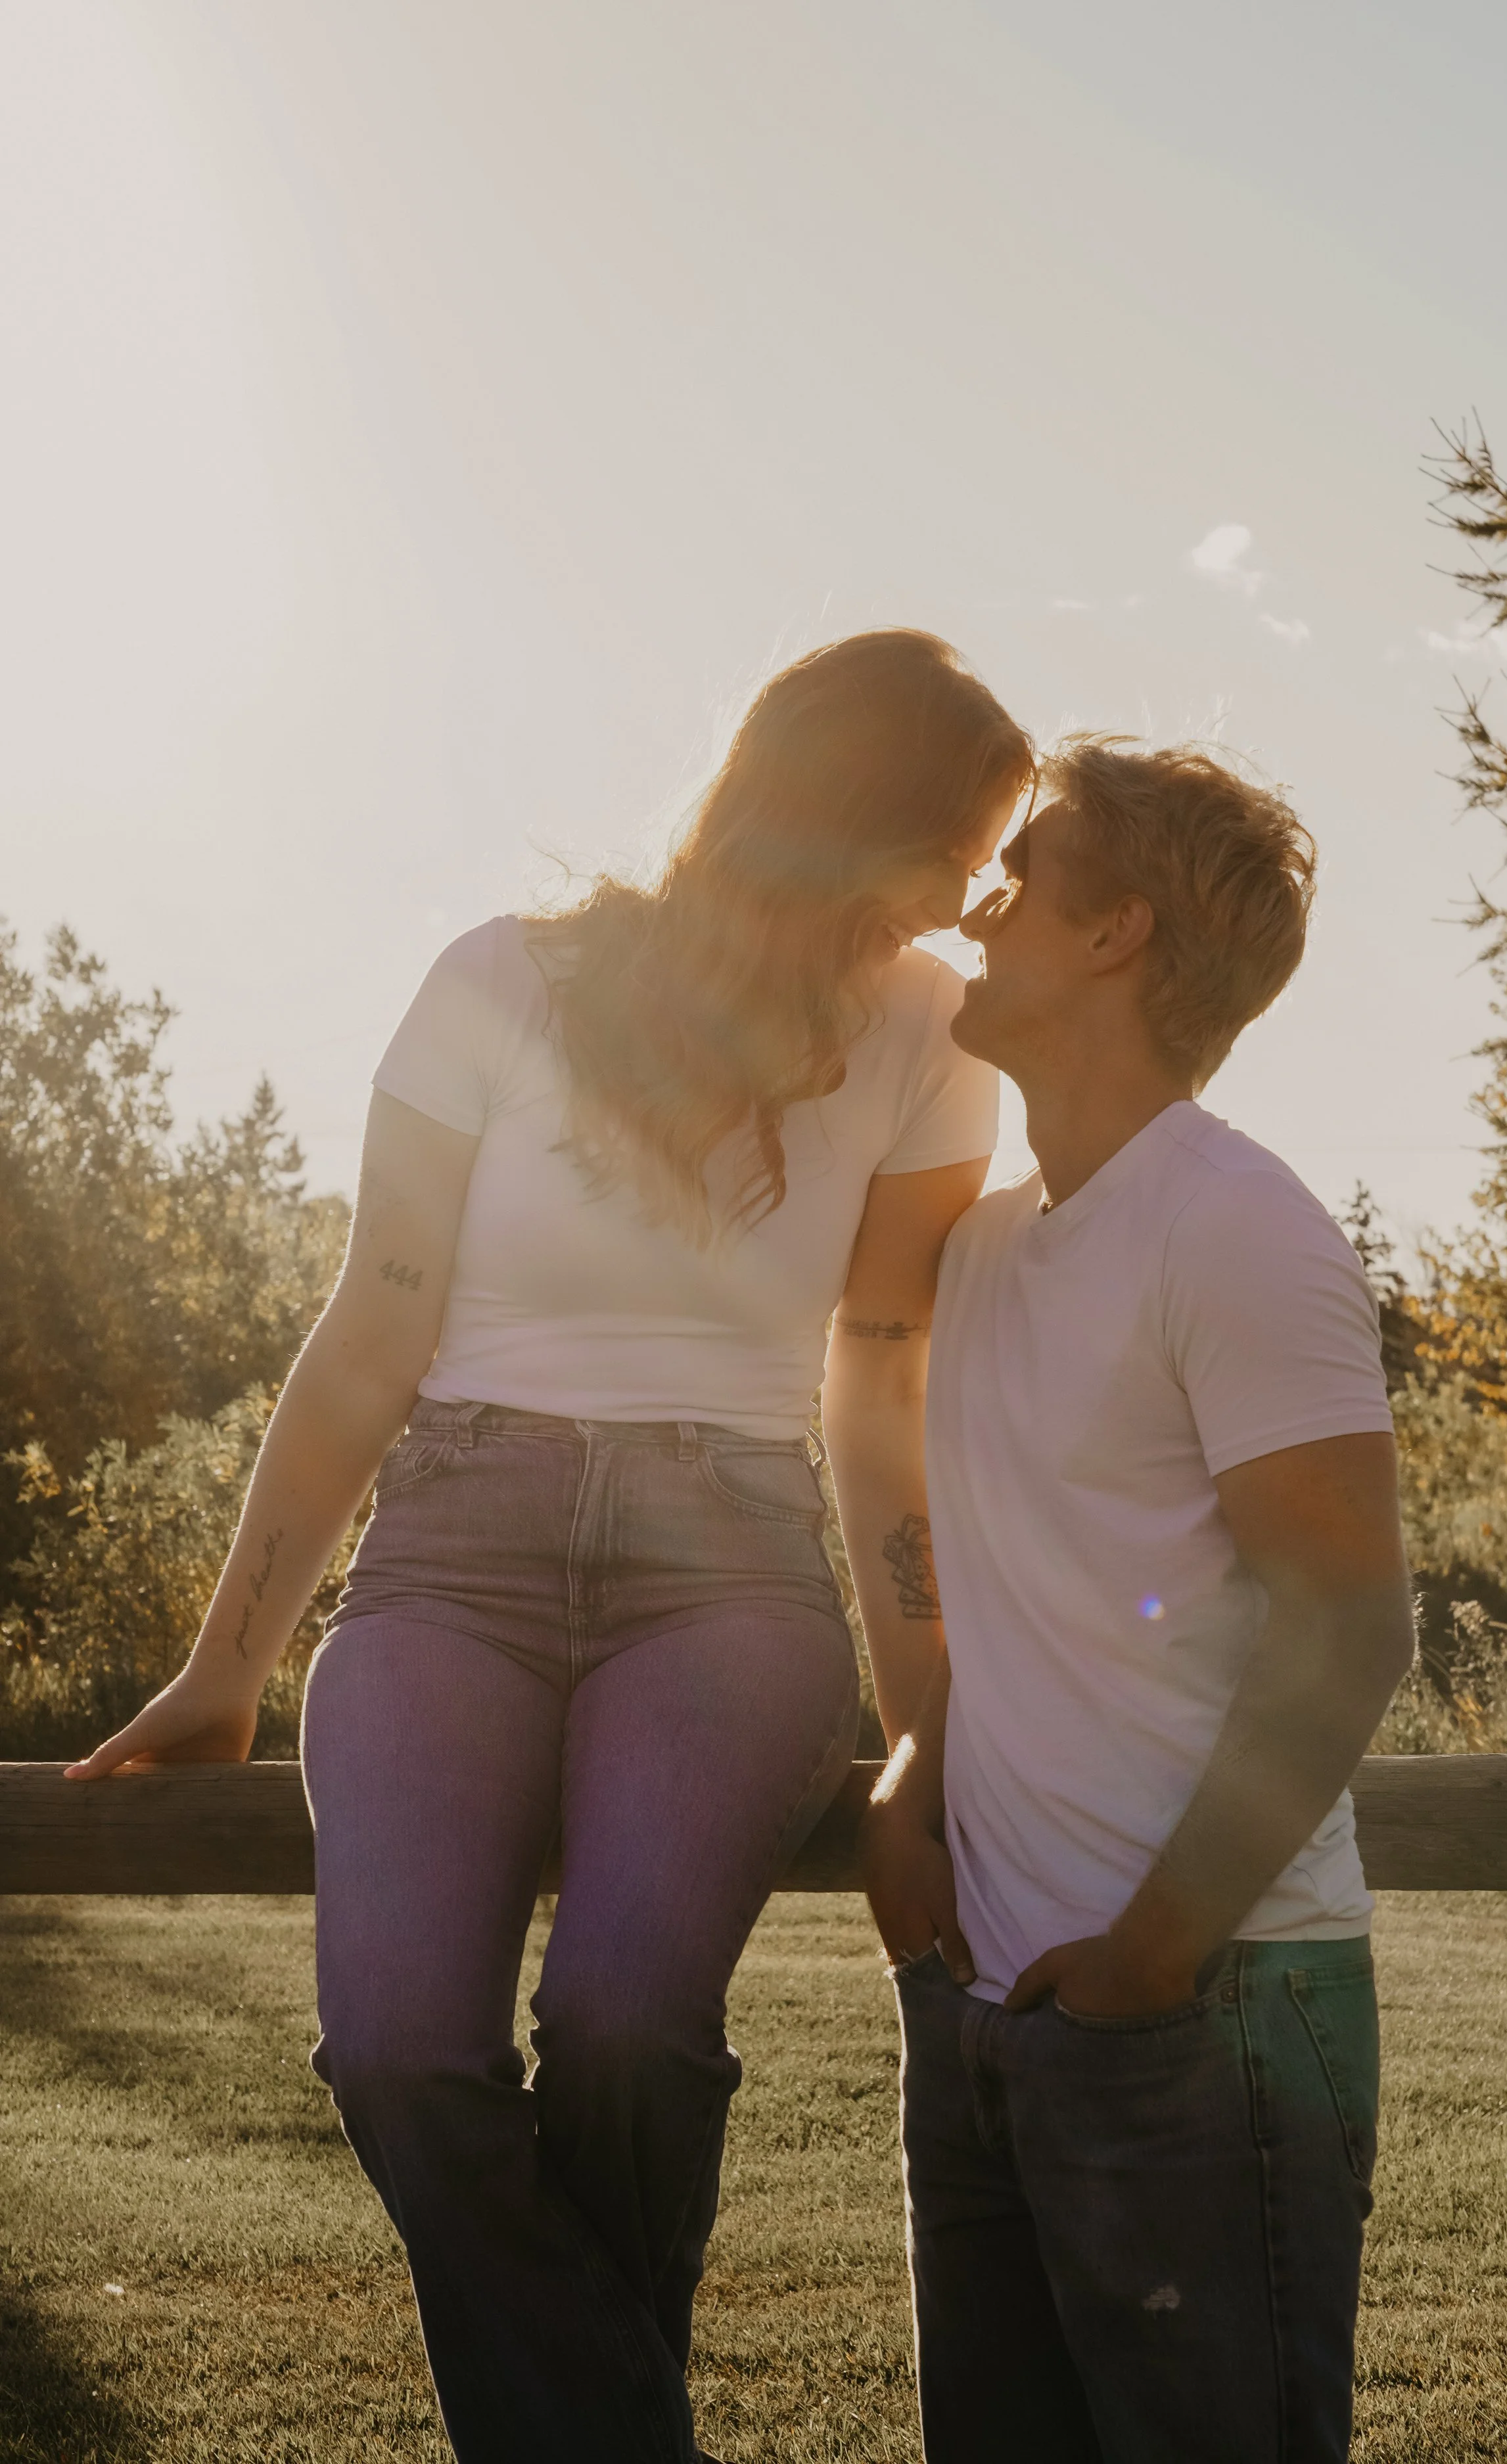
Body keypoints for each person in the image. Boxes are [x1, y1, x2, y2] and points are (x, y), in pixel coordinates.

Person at [68, 631, 1033, 2464]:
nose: (971, 896)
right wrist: (225, 1662)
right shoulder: (495, 982)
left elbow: (880, 1378)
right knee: (401, 2052)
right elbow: (374, 1328)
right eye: (958, 843)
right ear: (854, 818)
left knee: (624, 2025)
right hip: (454, 1554)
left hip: (732, 1568)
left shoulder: (932, 1033)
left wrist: (923, 1723)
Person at [864, 736, 1414, 2464]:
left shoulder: (1234, 1228)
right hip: (992, 2011)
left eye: (1025, 865)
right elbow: (1002, 1556)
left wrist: (1154, 1955)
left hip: (1212, 2012)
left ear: (1116, 932)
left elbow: (1349, 1618)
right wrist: (912, 1754)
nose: (979, 896)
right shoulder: (985, 1245)